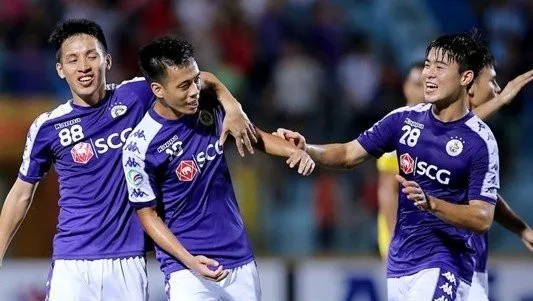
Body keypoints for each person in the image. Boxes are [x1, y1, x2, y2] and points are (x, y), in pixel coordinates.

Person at [0, 19, 255, 300]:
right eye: (72, 60)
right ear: (61, 70)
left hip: (128, 261)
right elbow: (20, 195)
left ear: (107, 61)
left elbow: (195, 77)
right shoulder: (47, 128)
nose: (83, 67)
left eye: (91, 56)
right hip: (71, 260)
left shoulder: (136, 94)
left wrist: (233, 106)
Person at [277, 33, 500, 300]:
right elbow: (349, 153)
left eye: (439, 68)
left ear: (466, 78)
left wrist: (432, 204)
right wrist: (308, 149)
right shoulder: (403, 121)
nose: (428, 74)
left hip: (445, 263)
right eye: (427, 65)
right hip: (400, 264)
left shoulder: (480, 141)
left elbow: (482, 217)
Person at [122, 36, 315, 301]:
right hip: (188, 270)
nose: (193, 91)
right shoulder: (140, 147)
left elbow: (253, 135)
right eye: (183, 86)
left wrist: (292, 151)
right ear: (158, 89)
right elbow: (148, 216)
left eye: (195, 81)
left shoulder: (209, 104)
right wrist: (188, 260)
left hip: (239, 258)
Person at [465, 53, 533, 300]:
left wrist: (521, 229)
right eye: (492, 81)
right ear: (469, 84)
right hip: (442, 262)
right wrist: (502, 100)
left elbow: (486, 195)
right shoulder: (428, 128)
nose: (498, 88)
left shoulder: (482, 137)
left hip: (473, 259)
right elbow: (449, 135)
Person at [376, 61, 425, 259]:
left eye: (429, 85)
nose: (423, 92)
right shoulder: (399, 128)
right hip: (405, 240)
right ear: (406, 87)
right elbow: (388, 192)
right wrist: (396, 242)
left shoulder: (439, 126)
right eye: (417, 85)